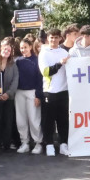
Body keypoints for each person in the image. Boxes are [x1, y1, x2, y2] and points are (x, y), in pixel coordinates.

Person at [38, 28, 70, 156]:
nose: (54, 40)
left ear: (60, 39)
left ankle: (63, 144)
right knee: (48, 121)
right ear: (47, 38)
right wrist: (59, 64)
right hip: (50, 91)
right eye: (51, 37)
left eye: (56, 37)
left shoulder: (64, 52)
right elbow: (45, 72)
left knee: (63, 120)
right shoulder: (43, 53)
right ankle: (49, 145)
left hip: (63, 91)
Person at [0, 37, 18, 151]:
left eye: (9, 50)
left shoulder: (13, 65)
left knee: (8, 120)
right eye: (5, 49)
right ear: (1, 50)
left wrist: (8, 94)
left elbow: (16, 80)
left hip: (9, 98)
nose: (7, 52)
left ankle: (6, 142)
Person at [14, 38, 44, 154]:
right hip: (19, 92)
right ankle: (24, 142)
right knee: (21, 119)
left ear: (31, 47)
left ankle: (38, 143)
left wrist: (38, 95)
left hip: (32, 92)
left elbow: (39, 79)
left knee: (34, 119)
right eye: (21, 48)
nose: (23, 50)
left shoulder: (36, 60)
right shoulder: (18, 61)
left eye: (25, 47)